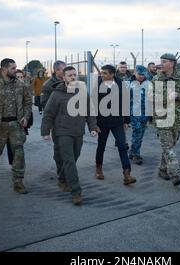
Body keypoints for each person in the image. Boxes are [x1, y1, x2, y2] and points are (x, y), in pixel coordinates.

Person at [41, 66, 99, 205]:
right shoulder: (57, 94)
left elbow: (90, 112)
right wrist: (45, 131)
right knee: (69, 161)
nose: (73, 77)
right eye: (70, 75)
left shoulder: (83, 92)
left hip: (78, 132)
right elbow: (48, 113)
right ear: (64, 78)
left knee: (74, 157)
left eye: (74, 75)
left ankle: (62, 178)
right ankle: (76, 192)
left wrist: (93, 127)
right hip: (62, 132)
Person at [0, 58, 32, 193]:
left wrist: (26, 117)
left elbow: (28, 102)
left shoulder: (20, 84)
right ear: (4, 69)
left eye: (15, 68)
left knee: (19, 153)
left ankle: (18, 181)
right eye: (13, 68)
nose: (16, 70)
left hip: (16, 124)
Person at [152, 53, 180, 186]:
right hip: (162, 117)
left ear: (172, 63)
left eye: (164, 61)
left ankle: (162, 169)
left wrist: (178, 95)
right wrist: (167, 98)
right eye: (161, 61)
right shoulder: (156, 79)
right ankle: (175, 173)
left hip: (178, 117)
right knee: (168, 146)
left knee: (170, 145)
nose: (161, 64)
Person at [94, 64, 136, 185]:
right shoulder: (97, 85)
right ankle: (98, 168)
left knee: (122, 147)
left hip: (117, 121)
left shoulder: (120, 84)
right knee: (101, 146)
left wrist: (127, 120)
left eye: (104, 73)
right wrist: (94, 124)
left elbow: (125, 102)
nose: (102, 75)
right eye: (101, 73)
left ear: (112, 74)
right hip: (102, 122)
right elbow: (93, 105)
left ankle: (127, 174)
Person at [40, 60, 67, 183]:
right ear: (57, 71)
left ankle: (67, 170)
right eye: (63, 69)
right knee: (59, 148)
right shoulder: (48, 85)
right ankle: (61, 171)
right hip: (57, 122)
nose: (66, 71)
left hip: (70, 121)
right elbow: (45, 105)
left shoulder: (70, 83)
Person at [6, 69, 34, 165]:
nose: (20, 79)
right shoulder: (9, 90)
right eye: (17, 77)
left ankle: (17, 163)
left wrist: (27, 119)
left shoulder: (26, 89)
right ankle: (13, 162)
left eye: (21, 77)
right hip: (10, 123)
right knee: (11, 144)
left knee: (19, 144)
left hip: (22, 122)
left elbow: (29, 105)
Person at [128, 65, 151, 165]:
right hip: (134, 113)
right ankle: (136, 154)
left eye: (143, 74)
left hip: (145, 114)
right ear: (135, 73)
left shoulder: (149, 84)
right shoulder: (130, 84)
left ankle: (132, 151)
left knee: (140, 134)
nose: (141, 76)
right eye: (139, 74)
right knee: (137, 132)